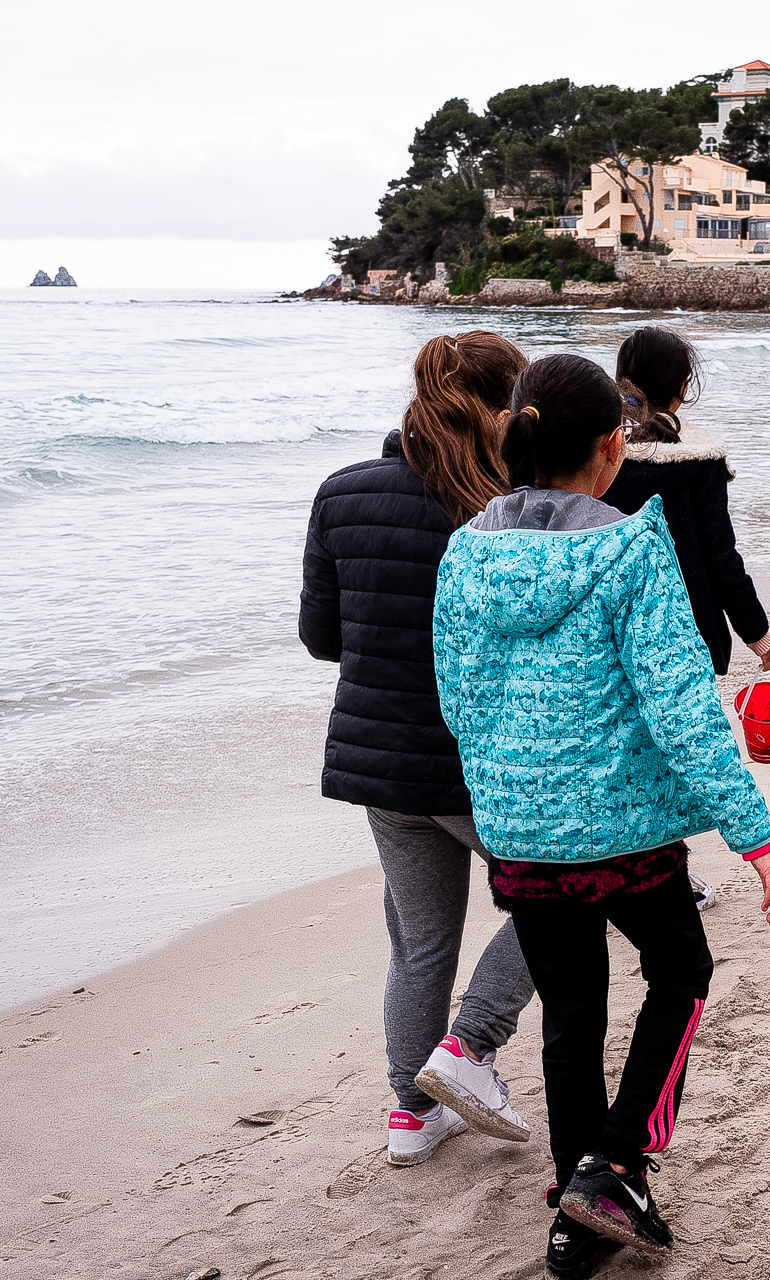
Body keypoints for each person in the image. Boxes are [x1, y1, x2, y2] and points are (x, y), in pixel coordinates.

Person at [433, 353, 770, 1279]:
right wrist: (751, 830)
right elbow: (681, 703)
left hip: (519, 830)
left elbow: (457, 697)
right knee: (681, 970)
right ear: (611, 446)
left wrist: (510, 787)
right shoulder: (632, 548)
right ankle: (617, 1164)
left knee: (571, 1013)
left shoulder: (465, 552)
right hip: (623, 831)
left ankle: (577, 1209)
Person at [299, 331, 539, 1168]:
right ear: (502, 407)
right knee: (560, 900)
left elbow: (321, 638)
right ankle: (468, 1045)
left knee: (420, 943)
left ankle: (410, 1116)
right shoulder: (506, 504)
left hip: (381, 764)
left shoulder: (342, 492)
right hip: (483, 762)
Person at [602, 326, 770, 914]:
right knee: (676, 753)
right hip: (688, 629)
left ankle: (613, 871)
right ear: (682, 388)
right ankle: (665, 876)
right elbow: (720, 556)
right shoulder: (699, 459)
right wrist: (757, 633)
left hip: (607, 630)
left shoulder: (600, 453)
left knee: (620, 750)